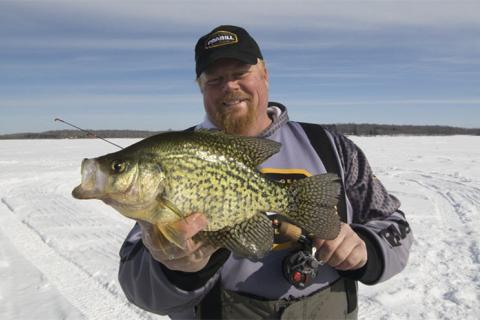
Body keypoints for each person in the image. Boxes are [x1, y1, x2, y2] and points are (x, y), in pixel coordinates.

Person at [118, 25, 413, 319]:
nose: (229, 86)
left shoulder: (330, 147)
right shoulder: (177, 155)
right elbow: (138, 285)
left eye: (240, 73)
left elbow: (393, 223)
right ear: (201, 87)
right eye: (215, 79)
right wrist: (174, 270)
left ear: (265, 74)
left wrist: (366, 249)